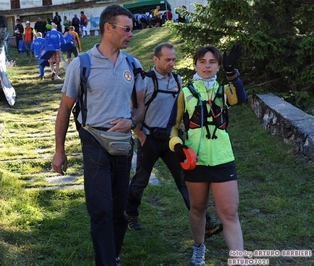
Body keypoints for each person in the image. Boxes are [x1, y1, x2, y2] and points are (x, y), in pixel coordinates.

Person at [52, 4, 146, 265]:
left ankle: (112, 256)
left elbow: (140, 108)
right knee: (101, 209)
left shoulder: (133, 64)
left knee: (119, 210)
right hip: (93, 141)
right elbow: (64, 109)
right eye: (126, 29)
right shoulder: (81, 65)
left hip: (122, 145)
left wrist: (131, 121)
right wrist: (59, 151)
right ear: (108, 28)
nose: (131, 34)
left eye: (131, 29)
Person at [126, 42, 223, 240]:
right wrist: (141, 136)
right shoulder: (145, 81)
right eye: (167, 60)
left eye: (173, 59)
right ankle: (130, 215)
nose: (172, 63)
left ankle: (206, 222)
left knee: (185, 181)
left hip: (172, 140)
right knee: (141, 180)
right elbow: (132, 111)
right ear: (156, 59)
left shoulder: (178, 80)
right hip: (150, 139)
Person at [167, 44, 246, 266]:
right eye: (202, 62)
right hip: (196, 161)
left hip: (223, 159)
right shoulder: (185, 93)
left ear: (218, 66)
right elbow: (171, 127)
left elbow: (240, 98)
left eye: (212, 62)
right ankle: (199, 246)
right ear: (195, 65)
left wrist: (232, 75)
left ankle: (239, 260)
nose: (207, 66)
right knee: (198, 208)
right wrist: (177, 145)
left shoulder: (224, 90)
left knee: (229, 213)